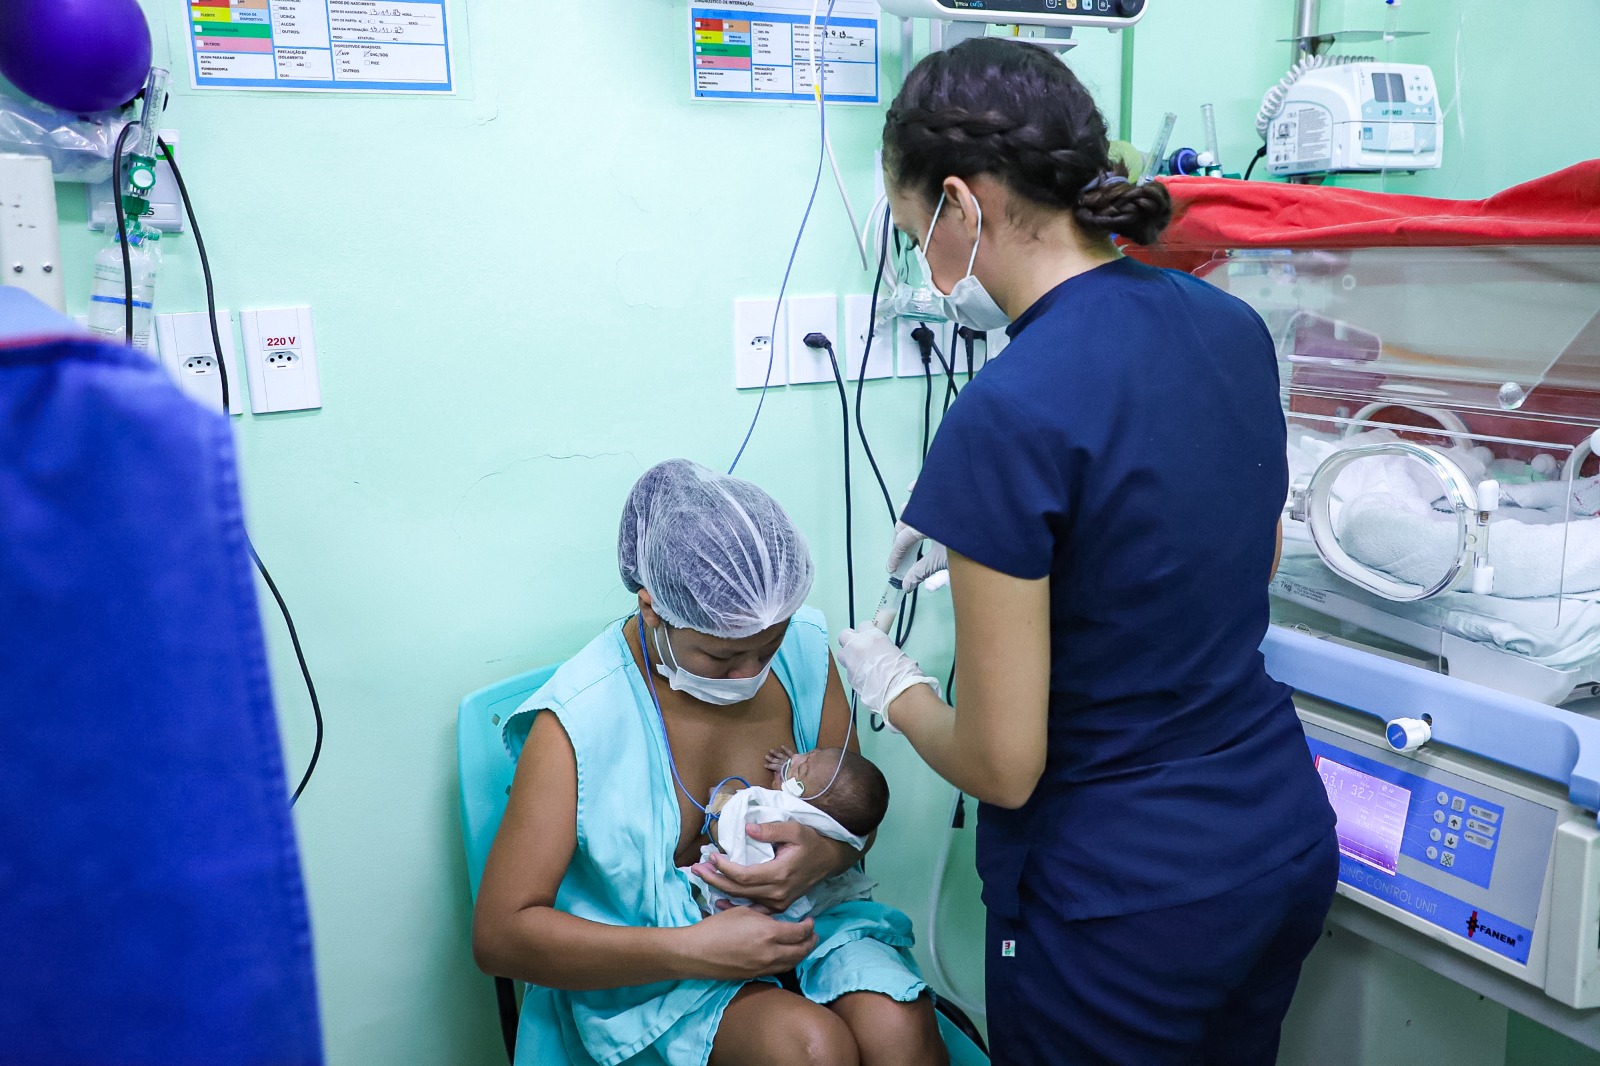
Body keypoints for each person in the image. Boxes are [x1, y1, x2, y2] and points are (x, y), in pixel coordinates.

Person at [832, 38, 1340, 1066]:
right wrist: (1025, 564)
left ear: (961, 205)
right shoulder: (1228, 325)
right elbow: (1245, 556)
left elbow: (1003, 767)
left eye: (914, 235)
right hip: (1273, 844)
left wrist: (896, 688)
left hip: (1123, 902)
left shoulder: (1008, 409)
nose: (924, 265)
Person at [473, 459, 947, 1066]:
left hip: (811, 916)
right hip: (654, 961)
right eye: (722, 658)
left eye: (767, 647)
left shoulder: (803, 648)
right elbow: (501, 936)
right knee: (810, 1049)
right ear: (653, 610)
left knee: (898, 1028)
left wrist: (827, 855)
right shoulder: (578, 721)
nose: (751, 673)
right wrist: (692, 948)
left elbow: (853, 809)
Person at [688, 747, 891, 920]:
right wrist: (796, 771)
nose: (795, 757)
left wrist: (722, 803)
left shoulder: (780, 816)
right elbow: (820, 785)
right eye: (810, 753)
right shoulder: (831, 815)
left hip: (743, 905)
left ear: (799, 795)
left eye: (801, 769)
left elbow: (732, 839)